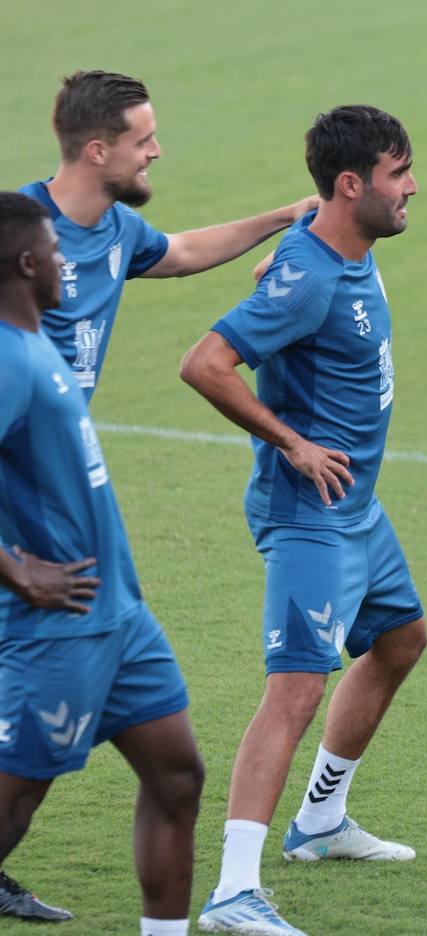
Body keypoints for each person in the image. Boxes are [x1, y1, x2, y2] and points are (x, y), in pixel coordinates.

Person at [179, 106, 424, 936]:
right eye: (398, 174)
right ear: (352, 185)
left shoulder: (343, 245)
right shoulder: (313, 276)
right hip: (311, 514)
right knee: (293, 690)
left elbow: (306, 226)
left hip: (359, 508)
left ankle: (320, 822)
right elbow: (204, 363)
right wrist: (290, 442)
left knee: (401, 640)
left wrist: (295, 218)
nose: (412, 187)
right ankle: (232, 893)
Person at [0, 191, 204, 934]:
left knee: (178, 778)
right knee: (12, 808)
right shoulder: (5, 357)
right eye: (56, 253)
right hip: (57, 628)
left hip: (119, 615)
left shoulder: (37, 344)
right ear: (27, 264)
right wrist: (15, 569)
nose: (67, 263)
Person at [19, 70, 316, 399]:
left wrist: (287, 215)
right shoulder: (17, 234)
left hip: (60, 432)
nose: (156, 151)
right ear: (97, 152)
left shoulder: (120, 226)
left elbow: (183, 253)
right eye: (142, 141)